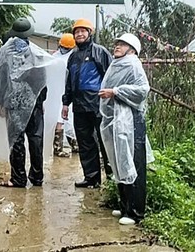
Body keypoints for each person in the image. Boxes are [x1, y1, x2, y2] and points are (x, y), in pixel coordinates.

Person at [0, 18, 66, 185]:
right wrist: (41, 101)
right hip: (34, 103)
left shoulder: (4, 53)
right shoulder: (37, 54)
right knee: (35, 139)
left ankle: (18, 178)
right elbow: (42, 80)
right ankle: (37, 177)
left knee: (16, 140)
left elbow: (0, 80)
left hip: (14, 103)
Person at [98, 33, 151, 226]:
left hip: (131, 121)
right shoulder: (116, 63)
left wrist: (116, 92)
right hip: (115, 119)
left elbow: (143, 90)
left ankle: (136, 212)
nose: (117, 46)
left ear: (132, 49)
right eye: (117, 43)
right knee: (119, 160)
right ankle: (124, 205)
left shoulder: (133, 65)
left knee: (133, 161)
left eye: (122, 44)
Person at [61, 18, 113, 188]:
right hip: (79, 106)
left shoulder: (100, 52)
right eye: (77, 32)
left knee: (105, 141)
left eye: (83, 31)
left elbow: (110, 76)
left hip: (99, 105)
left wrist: (110, 98)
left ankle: (112, 178)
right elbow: (69, 81)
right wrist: (65, 103)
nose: (80, 34)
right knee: (85, 143)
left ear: (90, 33)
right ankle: (92, 178)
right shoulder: (73, 56)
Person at [52, 33, 78, 157]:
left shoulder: (56, 56)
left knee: (67, 120)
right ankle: (58, 148)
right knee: (61, 119)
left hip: (61, 92)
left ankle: (74, 145)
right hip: (62, 93)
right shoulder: (72, 57)